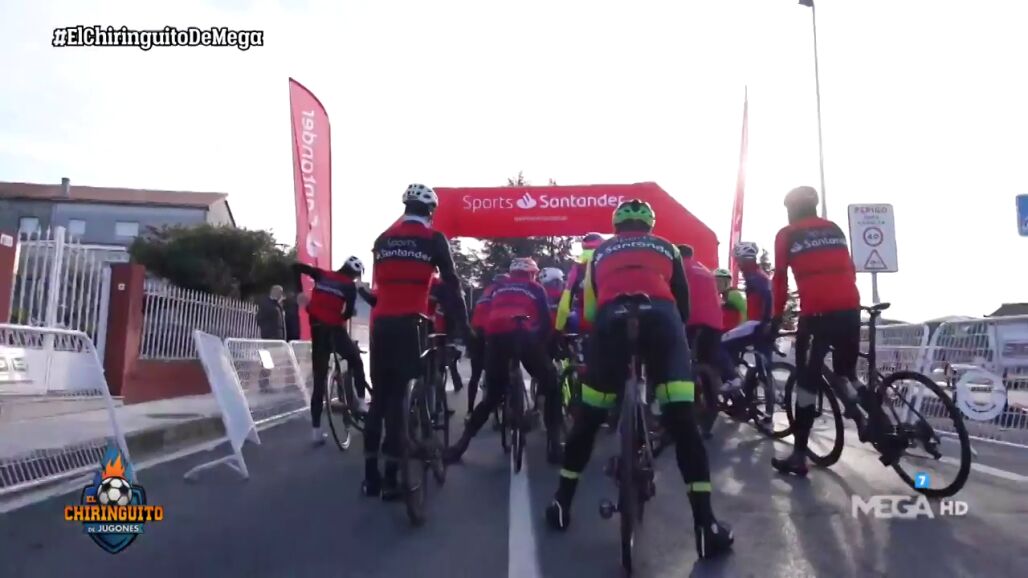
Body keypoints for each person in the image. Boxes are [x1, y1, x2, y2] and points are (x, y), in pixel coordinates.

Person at [545, 199, 733, 560]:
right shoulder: (668, 247)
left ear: (617, 227)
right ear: (649, 226)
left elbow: (590, 309)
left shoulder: (600, 253)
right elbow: (683, 307)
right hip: (662, 319)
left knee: (589, 418)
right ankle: (706, 526)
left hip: (612, 320)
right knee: (683, 422)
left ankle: (561, 503)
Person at [769, 186, 896, 477]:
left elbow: (779, 279)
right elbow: (848, 269)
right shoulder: (834, 229)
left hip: (817, 315)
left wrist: (775, 319)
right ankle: (880, 423)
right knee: (848, 374)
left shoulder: (787, 235)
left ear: (791, 210)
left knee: (806, 385)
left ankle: (799, 456)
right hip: (849, 308)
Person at [366, 183, 469, 500]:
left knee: (380, 400)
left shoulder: (383, 239)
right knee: (401, 400)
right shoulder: (434, 239)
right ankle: (393, 476)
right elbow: (451, 284)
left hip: (380, 324)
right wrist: (464, 325)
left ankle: (370, 478)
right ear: (430, 211)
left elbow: (382, 284)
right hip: (412, 323)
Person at [444, 257, 563, 465]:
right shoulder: (535, 288)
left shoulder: (498, 288)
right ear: (532, 274)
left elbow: (484, 314)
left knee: (491, 397)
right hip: (524, 334)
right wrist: (541, 348)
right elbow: (545, 323)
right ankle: (554, 445)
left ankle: (460, 446)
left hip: (496, 338)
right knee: (552, 384)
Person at [292, 256, 373, 445]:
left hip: (317, 329)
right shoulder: (349, 286)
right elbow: (348, 312)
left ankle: (316, 430)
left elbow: (295, 267)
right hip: (334, 329)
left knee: (319, 383)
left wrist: (300, 294)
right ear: (355, 274)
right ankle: (361, 401)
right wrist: (342, 315)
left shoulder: (322, 274)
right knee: (355, 360)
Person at [720, 242, 774, 392]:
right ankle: (758, 392)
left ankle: (733, 378)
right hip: (762, 322)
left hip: (756, 323)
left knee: (721, 343)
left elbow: (767, 296)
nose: (738, 264)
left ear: (744, 259)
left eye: (738, 260)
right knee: (762, 364)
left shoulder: (754, 276)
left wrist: (765, 321)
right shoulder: (758, 274)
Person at [466, 273, 509, 419]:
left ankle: (470, 410)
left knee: (475, 375)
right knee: (499, 367)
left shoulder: (485, 293)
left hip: (476, 332)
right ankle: (499, 399)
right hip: (491, 332)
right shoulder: (503, 293)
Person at [678, 245, 726, 373]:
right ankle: (730, 380)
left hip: (693, 319)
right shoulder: (705, 270)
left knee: (682, 356)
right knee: (709, 363)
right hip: (715, 321)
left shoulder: (680, 266)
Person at [555, 233, 604, 334]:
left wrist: (559, 327)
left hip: (583, 318)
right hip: (605, 315)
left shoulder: (578, 265)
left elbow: (567, 296)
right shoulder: (607, 260)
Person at [428, 274, 464, 395]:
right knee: (445, 362)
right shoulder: (450, 296)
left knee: (443, 363)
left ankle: (442, 390)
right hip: (442, 332)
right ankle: (451, 385)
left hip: (441, 332)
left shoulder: (442, 294)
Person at [256, 285, 286, 392]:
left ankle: (266, 383)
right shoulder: (266, 304)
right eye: (279, 292)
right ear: (274, 292)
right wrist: (267, 332)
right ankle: (263, 384)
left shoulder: (276, 304)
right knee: (268, 362)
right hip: (269, 337)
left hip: (277, 338)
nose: (281, 295)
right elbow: (259, 319)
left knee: (271, 362)